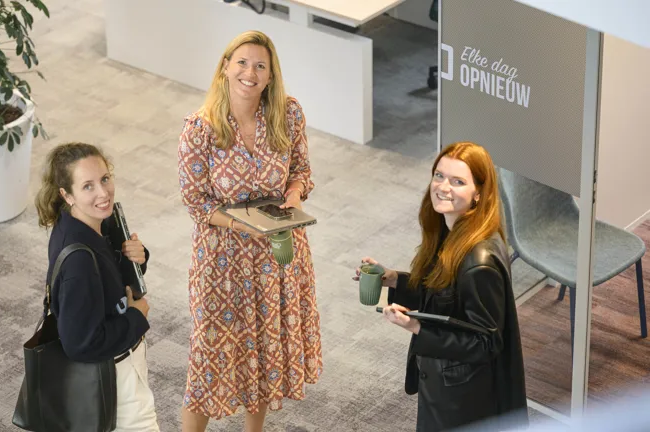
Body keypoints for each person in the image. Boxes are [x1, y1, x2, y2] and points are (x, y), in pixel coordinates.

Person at [177, 30, 322, 432]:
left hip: (277, 255)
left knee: (262, 351)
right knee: (209, 358)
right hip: (222, 261)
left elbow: (301, 172)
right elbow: (196, 203)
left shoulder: (287, 114)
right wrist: (245, 224)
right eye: (241, 62)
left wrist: (294, 194)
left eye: (260, 66)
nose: (250, 72)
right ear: (225, 67)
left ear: (271, 76)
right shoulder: (200, 129)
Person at [353, 142, 528, 431]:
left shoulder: (478, 262)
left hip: (462, 398)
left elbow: (486, 343)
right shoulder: (454, 230)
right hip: (449, 383)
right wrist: (394, 278)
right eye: (439, 175)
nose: (443, 187)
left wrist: (417, 327)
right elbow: (446, 293)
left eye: (458, 181)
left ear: (478, 194)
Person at [35, 142, 160, 431]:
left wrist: (136, 260)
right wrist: (136, 316)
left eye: (104, 179)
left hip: (119, 369)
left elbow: (107, 280)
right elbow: (81, 344)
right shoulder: (79, 261)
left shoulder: (88, 224)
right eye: (88, 186)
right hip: (114, 380)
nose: (103, 193)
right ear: (67, 195)